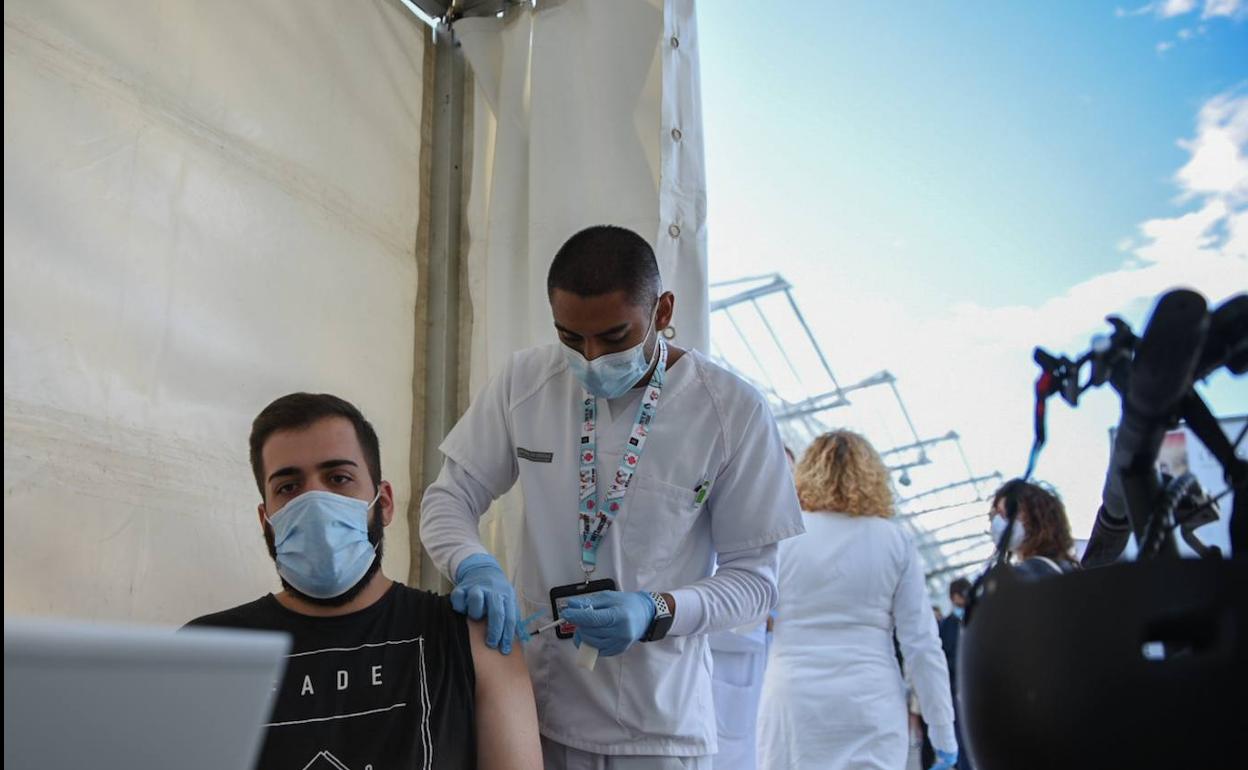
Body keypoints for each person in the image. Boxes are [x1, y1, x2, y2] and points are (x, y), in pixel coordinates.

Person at [420, 225, 805, 768]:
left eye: (614, 337)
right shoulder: (526, 381)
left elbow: (754, 583)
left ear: (662, 310)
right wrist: (472, 563)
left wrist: (655, 610)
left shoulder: (730, 411)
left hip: (658, 728)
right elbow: (448, 499)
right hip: (535, 712)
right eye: (571, 338)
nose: (591, 358)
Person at [187, 393, 542, 770]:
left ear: (384, 503)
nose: (315, 502)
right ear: (266, 520)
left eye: (338, 478)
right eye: (288, 487)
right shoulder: (205, 653)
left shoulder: (473, 638)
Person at [757, 430, 958, 770]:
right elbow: (921, 645)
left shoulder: (784, 536)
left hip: (794, 701)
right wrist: (943, 733)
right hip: (871, 702)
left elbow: (743, 616)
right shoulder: (895, 541)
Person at [988, 479, 1080, 577]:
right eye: (995, 515)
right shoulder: (1068, 568)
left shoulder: (1027, 575)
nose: (997, 521)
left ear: (1037, 519)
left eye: (1003, 514)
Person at [938, 578, 974, 770]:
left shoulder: (974, 619)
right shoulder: (946, 626)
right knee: (962, 738)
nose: (967, 599)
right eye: (964, 594)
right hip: (955, 690)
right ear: (954, 597)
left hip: (974, 689)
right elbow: (942, 658)